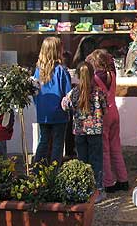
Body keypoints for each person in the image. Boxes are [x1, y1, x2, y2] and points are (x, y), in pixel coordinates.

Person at [61, 61, 107, 203]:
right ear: (93, 74)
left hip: (80, 131)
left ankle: (84, 189)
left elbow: (64, 105)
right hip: (95, 131)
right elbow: (104, 109)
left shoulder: (74, 92)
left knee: (83, 160)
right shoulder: (99, 92)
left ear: (78, 75)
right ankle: (98, 190)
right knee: (96, 160)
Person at [86, 49, 129, 193]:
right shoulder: (112, 74)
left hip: (102, 115)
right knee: (116, 147)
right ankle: (123, 179)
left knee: (104, 150)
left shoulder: (96, 77)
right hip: (114, 112)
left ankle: (108, 182)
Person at [33, 37, 72, 165]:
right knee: (58, 144)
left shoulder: (38, 71)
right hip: (59, 114)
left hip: (43, 113)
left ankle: (38, 168)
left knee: (43, 141)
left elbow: (34, 92)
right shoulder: (61, 70)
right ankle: (55, 171)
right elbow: (68, 94)